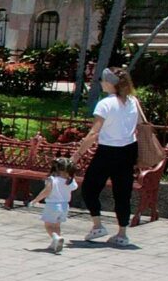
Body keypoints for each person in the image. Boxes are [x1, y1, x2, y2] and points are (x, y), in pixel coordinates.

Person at [77, 65, 151, 248]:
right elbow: (141, 124)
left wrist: (76, 156)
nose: (101, 83)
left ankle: (97, 224)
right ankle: (122, 233)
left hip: (108, 151)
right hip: (128, 150)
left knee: (89, 188)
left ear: (110, 83)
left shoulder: (105, 104)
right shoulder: (133, 101)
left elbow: (94, 133)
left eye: (103, 80)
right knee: (122, 192)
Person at [38, 155, 78, 254]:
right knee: (57, 225)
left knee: (48, 225)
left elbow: (46, 192)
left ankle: (55, 237)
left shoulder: (52, 179)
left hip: (52, 205)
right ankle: (55, 242)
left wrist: (36, 200)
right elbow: (74, 187)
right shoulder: (70, 181)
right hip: (65, 206)